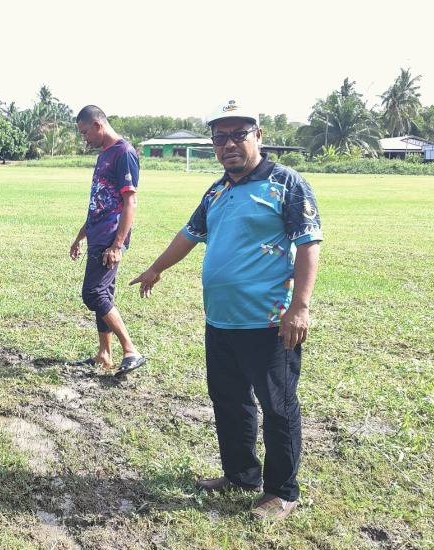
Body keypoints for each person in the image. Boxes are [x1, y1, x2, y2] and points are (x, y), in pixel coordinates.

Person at [130, 98, 323, 521]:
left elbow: (309, 243)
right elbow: (190, 232)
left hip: (270, 322)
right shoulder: (217, 189)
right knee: (229, 401)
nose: (229, 144)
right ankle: (240, 475)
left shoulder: (286, 184)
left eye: (239, 135)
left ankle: (282, 492)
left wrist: (300, 307)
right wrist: (155, 269)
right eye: (221, 138)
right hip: (221, 320)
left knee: (277, 405)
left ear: (258, 136)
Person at [71, 105, 146, 376]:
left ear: (98, 125)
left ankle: (130, 349)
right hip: (97, 234)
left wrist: (117, 245)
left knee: (93, 293)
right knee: (104, 294)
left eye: (85, 132)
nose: (84, 138)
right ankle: (104, 354)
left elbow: (130, 202)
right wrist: (80, 236)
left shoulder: (123, 153)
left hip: (110, 237)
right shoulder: (105, 154)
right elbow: (99, 203)